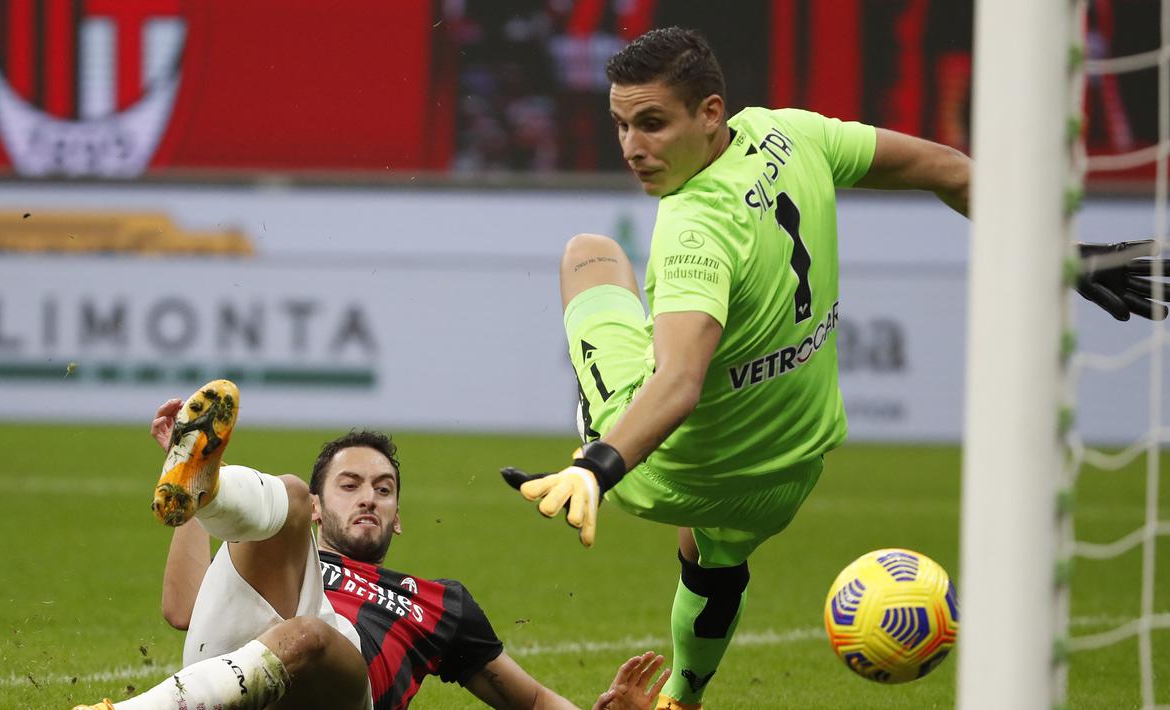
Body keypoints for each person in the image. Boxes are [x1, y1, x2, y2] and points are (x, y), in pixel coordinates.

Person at [499, 26, 1170, 710]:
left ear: (709, 114)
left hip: (662, 475)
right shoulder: (791, 135)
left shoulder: (691, 226)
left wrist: (597, 465)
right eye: (620, 125)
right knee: (713, 555)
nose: (632, 148)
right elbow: (946, 166)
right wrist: (1066, 252)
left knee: (589, 253)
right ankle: (682, 697)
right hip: (788, 473)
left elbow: (676, 383)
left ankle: (597, 424)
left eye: (651, 123)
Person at [76, 379, 670, 710]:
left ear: (399, 516)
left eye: (384, 489)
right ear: (320, 508)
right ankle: (204, 486)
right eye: (350, 485)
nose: (368, 498)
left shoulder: (441, 603)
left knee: (312, 634)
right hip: (239, 671)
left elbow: (534, 702)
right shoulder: (288, 547)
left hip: (338, 699)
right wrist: (189, 499)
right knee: (280, 495)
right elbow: (185, 611)